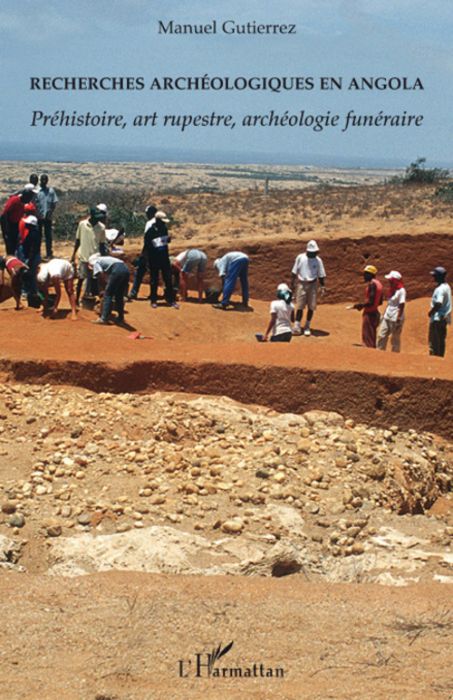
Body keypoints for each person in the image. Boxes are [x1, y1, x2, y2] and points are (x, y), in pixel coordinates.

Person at [143, 208, 177, 308]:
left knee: (168, 278)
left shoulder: (164, 229)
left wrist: (167, 240)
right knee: (154, 279)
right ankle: (153, 300)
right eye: (162, 222)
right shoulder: (150, 232)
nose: (164, 224)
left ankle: (170, 300)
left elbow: (164, 242)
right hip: (154, 258)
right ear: (157, 221)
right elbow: (147, 245)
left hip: (164, 257)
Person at [71, 208, 106, 305]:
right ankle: (77, 300)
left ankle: (96, 300)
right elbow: (78, 240)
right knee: (81, 279)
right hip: (84, 256)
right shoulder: (82, 224)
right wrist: (73, 254)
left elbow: (102, 245)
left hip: (95, 258)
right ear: (91, 216)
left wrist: (103, 259)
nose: (98, 220)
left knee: (95, 280)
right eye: (96, 217)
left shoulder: (101, 227)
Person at [291, 240, 326, 336]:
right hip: (302, 283)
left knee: (311, 306)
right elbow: (294, 272)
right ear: (307, 251)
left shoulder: (318, 260)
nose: (314, 254)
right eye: (312, 252)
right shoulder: (300, 258)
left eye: (315, 252)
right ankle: (297, 326)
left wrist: (322, 285)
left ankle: (307, 325)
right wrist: (292, 284)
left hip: (313, 284)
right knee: (300, 306)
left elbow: (321, 274)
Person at [88, 254, 130, 325]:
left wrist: (103, 289)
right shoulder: (105, 259)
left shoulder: (96, 262)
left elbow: (100, 275)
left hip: (117, 270)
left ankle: (104, 318)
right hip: (125, 269)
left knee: (108, 294)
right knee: (119, 295)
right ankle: (120, 318)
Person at [128, 205, 156, 300]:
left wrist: (144, 253)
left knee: (140, 271)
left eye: (147, 213)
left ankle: (133, 292)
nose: (147, 215)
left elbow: (147, 239)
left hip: (149, 251)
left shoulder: (149, 223)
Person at [353, 265, 383, 348]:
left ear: (370, 274)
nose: (364, 276)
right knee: (372, 336)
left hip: (370, 314)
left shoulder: (372, 284)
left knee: (368, 340)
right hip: (375, 312)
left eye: (366, 274)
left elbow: (371, 302)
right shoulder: (379, 284)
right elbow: (380, 301)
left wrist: (360, 305)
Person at [377, 271, 406, 352]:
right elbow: (390, 304)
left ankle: (395, 356)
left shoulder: (401, 291)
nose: (389, 281)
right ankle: (379, 352)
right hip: (387, 316)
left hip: (395, 317)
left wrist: (399, 317)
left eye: (390, 280)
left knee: (395, 339)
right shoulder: (392, 290)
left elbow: (402, 304)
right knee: (381, 335)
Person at [0, 189, 35, 254]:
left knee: (15, 242)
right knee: (9, 242)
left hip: (15, 224)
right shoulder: (14, 200)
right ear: (25, 196)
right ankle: (10, 257)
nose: (29, 200)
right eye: (29, 198)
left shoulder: (22, 203)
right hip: (8, 223)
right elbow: (5, 213)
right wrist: (6, 229)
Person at [428, 266, 451, 357]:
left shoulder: (440, 289)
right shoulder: (447, 286)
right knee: (441, 340)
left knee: (434, 341)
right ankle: (440, 358)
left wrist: (431, 312)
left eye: (435, 275)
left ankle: (435, 359)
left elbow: (438, 303)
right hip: (444, 318)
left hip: (437, 318)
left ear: (439, 276)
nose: (433, 277)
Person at [36, 174, 58, 260]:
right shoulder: (37, 191)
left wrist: (51, 212)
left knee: (48, 236)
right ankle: (37, 254)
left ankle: (49, 253)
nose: (44, 181)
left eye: (45, 180)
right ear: (40, 180)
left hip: (48, 217)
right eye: (42, 180)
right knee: (38, 236)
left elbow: (54, 202)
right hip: (39, 217)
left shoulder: (51, 191)